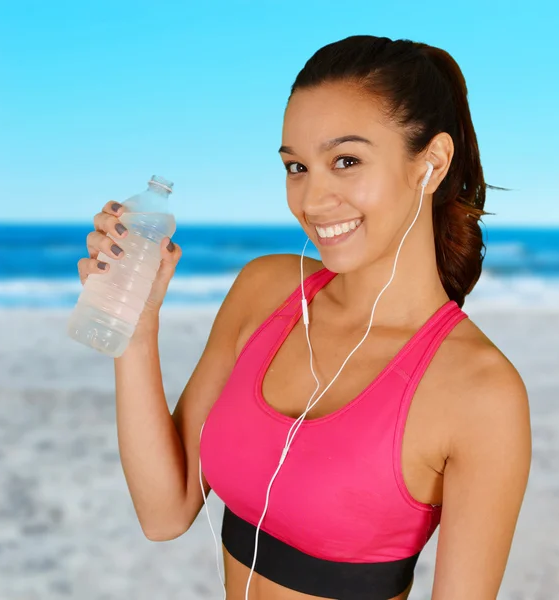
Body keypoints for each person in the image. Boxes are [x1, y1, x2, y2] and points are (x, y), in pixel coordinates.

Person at [78, 36, 532, 600]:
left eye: (346, 161)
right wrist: (136, 325)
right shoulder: (266, 290)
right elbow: (164, 511)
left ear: (431, 163)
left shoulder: (480, 392)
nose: (312, 200)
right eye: (296, 166)